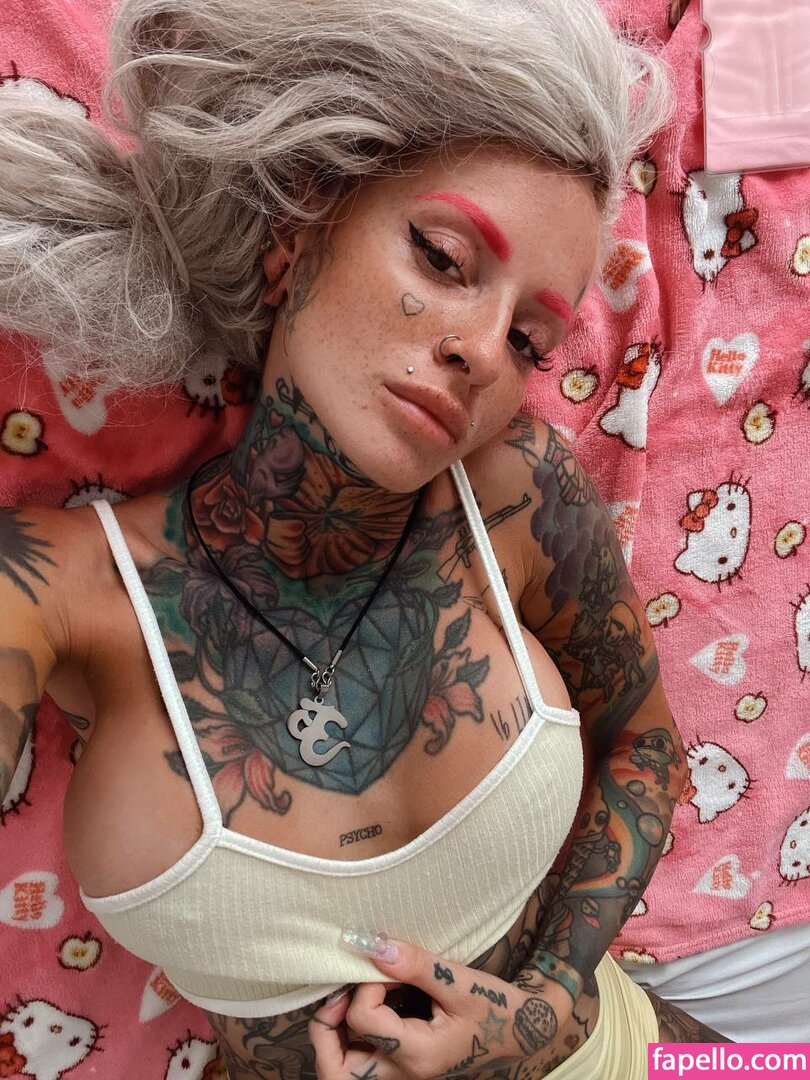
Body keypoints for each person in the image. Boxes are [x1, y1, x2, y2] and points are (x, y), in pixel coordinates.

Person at [0, 0, 730, 1075]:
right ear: (298, 230)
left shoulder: (520, 494)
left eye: (532, 340)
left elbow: (648, 746)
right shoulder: (51, 585)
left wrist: (551, 1006)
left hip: (639, 1051)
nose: (482, 350)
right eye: (443, 258)